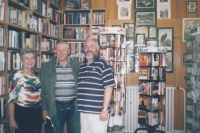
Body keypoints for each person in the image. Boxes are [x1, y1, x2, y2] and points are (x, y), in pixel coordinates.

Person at [40, 41, 80, 133]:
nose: (61, 52)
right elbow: (43, 91)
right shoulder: (46, 67)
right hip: (55, 107)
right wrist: (44, 109)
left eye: (64, 50)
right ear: (55, 52)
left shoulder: (77, 65)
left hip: (74, 106)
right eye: (58, 50)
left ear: (69, 51)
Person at [77, 37, 115, 133]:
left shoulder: (103, 64)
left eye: (92, 46)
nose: (89, 49)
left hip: (98, 112)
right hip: (83, 111)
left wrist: (105, 109)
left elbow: (109, 87)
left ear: (97, 48)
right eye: (86, 46)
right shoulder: (82, 65)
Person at [8, 47, 43, 133]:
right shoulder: (17, 76)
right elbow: (11, 100)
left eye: (32, 58)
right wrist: (12, 119)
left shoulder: (37, 75)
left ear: (35, 59)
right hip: (23, 114)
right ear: (21, 61)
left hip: (37, 112)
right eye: (26, 58)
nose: (30, 61)